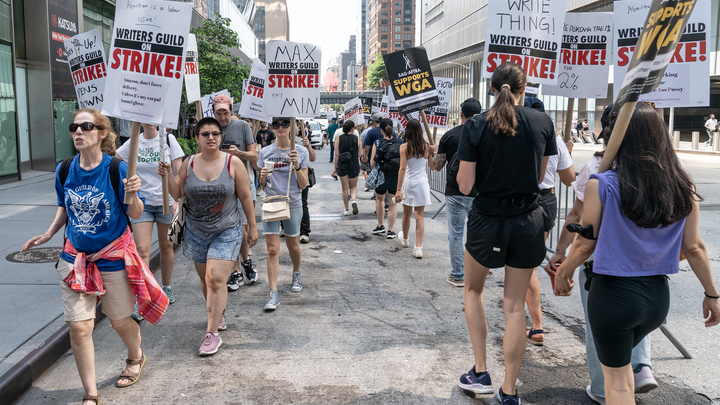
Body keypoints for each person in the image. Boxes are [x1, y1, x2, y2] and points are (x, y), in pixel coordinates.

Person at [553, 103, 720, 405]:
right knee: (624, 371)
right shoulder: (683, 186)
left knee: (614, 385)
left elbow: (585, 243)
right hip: (657, 300)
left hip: (613, 295)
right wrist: (712, 295)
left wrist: (564, 272)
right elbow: (694, 247)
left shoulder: (601, 184)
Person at [22, 108, 168, 405]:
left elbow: (135, 214)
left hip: (112, 257)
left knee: (119, 320)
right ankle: (91, 394)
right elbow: (65, 205)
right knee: (79, 326)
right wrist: (50, 233)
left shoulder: (117, 169)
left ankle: (136, 356)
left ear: (101, 133)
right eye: (74, 127)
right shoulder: (64, 169)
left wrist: (135, 194)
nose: (78, 132)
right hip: (74, 257)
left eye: (86, 126)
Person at [455, 62, 556, 405]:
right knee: (515, 306)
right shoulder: (542, 121)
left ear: (491, 88)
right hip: (528, 220)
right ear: (524, 88)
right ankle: (509, 392)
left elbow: (465, 186)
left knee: (472, 289)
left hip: (487, 219)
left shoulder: (474, 125)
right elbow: (540, 177)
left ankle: (480, 372)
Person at [546, 104, 656, 404]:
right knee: (637, 315)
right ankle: (641, 365)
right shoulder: (663, 167)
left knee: (602, 327)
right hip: (648, 264)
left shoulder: (597, 170)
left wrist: (562, 257)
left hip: (601, 266)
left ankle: (600, 386)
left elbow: (581, 224)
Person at [159, 116, 258, 356]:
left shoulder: (232, 163)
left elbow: (245, 197)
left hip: (227, 230)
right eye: (205, 134)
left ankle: (211, 333)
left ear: (221, 137)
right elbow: (178, 193)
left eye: (215, 133)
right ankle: (217, 312)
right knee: (206, 280)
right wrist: (165, 177)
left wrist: (252, 228)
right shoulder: (189, 163)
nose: (211, 137)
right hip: (196, 231)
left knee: (215, 279)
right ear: (197, 138)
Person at [521, 97, 575, 346]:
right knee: (530, 260)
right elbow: (568, 178)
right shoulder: (554, 139)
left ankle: (537, 325)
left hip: (524, 201)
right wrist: (566, 153)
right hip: (548, 200)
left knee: (526, 265)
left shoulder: (517, 134)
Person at [115, 123, 184, 310]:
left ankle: (166, 287)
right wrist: (126, 182)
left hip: (167, 202)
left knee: (166, 247)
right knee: (143, 250)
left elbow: (179, 173)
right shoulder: (133, 142)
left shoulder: (169, 140)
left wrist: (178, 199)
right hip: (141, 203)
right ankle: (143, 295)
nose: (149, 121)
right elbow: (115, 163)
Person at [257, 117, 310, 311]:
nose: (281, 128)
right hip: (270, 203)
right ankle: (273, 293)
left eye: (285, 124)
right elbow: (262, 186)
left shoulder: (301, 151)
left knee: (293, 245)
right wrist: (261, 178)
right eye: (276, 125)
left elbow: (303, 185)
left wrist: (296, 165)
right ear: (271, 128)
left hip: (293, 203)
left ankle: (296, 272)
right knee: (272, 250)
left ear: (291, 127)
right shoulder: (265, 152)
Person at [432, 98, 482, 286]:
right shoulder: (486, 134)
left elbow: (436, 166)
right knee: (477, 233)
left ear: (462, 114)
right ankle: (477, 271)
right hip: (480, 192)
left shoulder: (450, 136)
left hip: (455, 191)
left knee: (456, 234)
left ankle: (459, 274)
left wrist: (433, 153)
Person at [211, 95, 259, 292]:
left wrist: (238, 153)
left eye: (225, 112)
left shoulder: (242, 127)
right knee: (228, 231)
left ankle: (245, 262)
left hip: (243, 184)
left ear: (231, 111)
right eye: (218, 113)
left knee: (242, 230)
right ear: (213, 113)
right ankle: (237, 271)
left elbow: (254, 155)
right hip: (219, 188)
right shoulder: (209, 130)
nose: (222, 117)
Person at [395, 119, 435, 258]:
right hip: (422, 183)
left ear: (408, 131)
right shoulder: (427, 147)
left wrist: (398, 189)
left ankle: (405, 238)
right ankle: (418, 247)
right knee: (419, 216)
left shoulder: (404, 147)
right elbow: (433, 167)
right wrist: (435, 152)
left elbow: (402, 168)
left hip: (409, 182)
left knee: (406, 213)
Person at [370, 118, 401, 239]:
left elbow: (372, 163)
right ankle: (391, 230)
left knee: (379, 200)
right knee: (393, 203)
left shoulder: (377, 143)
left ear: (381, 130)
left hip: (381, 176)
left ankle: (380, 225)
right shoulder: (399, 142)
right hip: (395, 176)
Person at [332, 120, 362, 215]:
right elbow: (359, 154)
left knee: (344, 188)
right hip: (354, 165)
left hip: (342, 165)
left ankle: (346, 209)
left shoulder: (338, 139)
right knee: (353, 186)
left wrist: (335, 168)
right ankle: (353, 200)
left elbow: (336, 155)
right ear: (352, 129)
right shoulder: (357, 139)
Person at [297, 122, 316, 243]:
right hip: (285, 179)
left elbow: (313, 158)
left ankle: (304, 232)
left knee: (302, 203)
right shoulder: (279, 142)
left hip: (302, 177)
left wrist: (308, 146)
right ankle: (285, 227)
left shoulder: (303, 142)